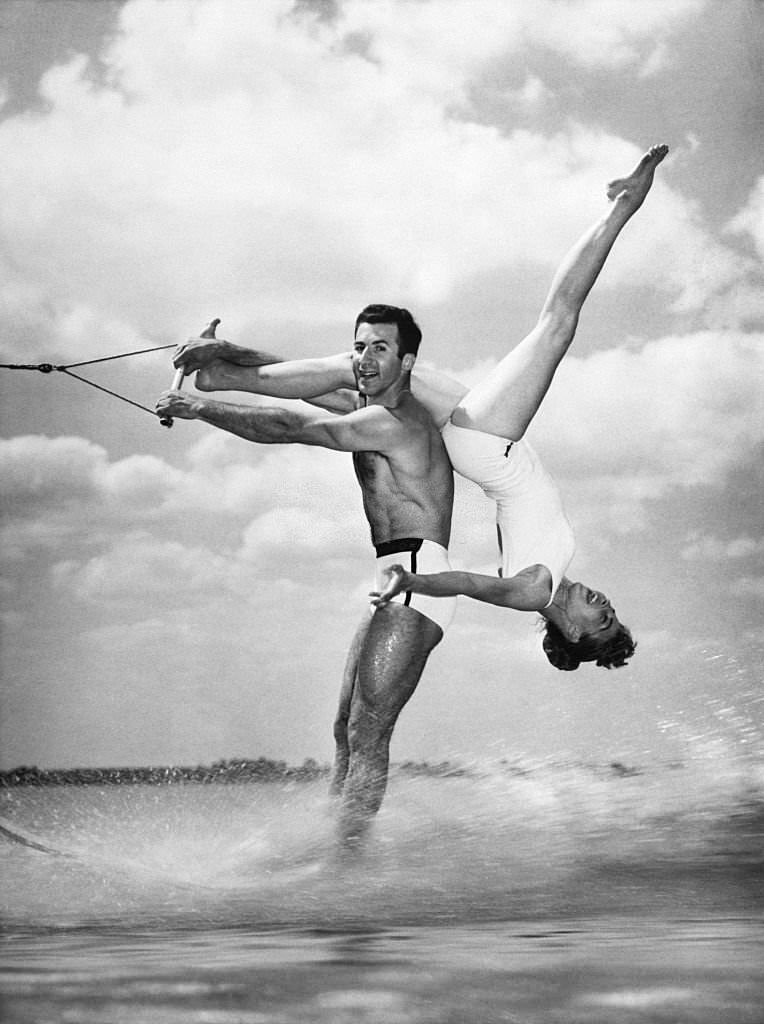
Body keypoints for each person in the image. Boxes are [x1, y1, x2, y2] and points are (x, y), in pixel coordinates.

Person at [174, 144, 668, 674]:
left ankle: (623, 206)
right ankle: (222, 373)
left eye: (602, 624)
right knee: (359, 379)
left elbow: (471, 584)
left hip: (491, 447)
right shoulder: (552, 576)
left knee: (556, 322)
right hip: (482, 450)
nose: (606, 609)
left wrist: (414, 582)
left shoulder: (535, 592)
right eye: (614, 615)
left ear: (569, 632)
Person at [157, 305, 456, 845]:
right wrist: (222, 357)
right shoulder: (365, 404)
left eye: (381, 349)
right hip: (393, 585)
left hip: (419, 580)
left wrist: (199, 405)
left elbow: (293, 425)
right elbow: (297, 383)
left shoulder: (397, 422)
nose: (364, 359)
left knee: (369, 732)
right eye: (359, 347)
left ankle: (347, 861)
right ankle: (337, 839)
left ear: (407, 361)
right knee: (346, 729)